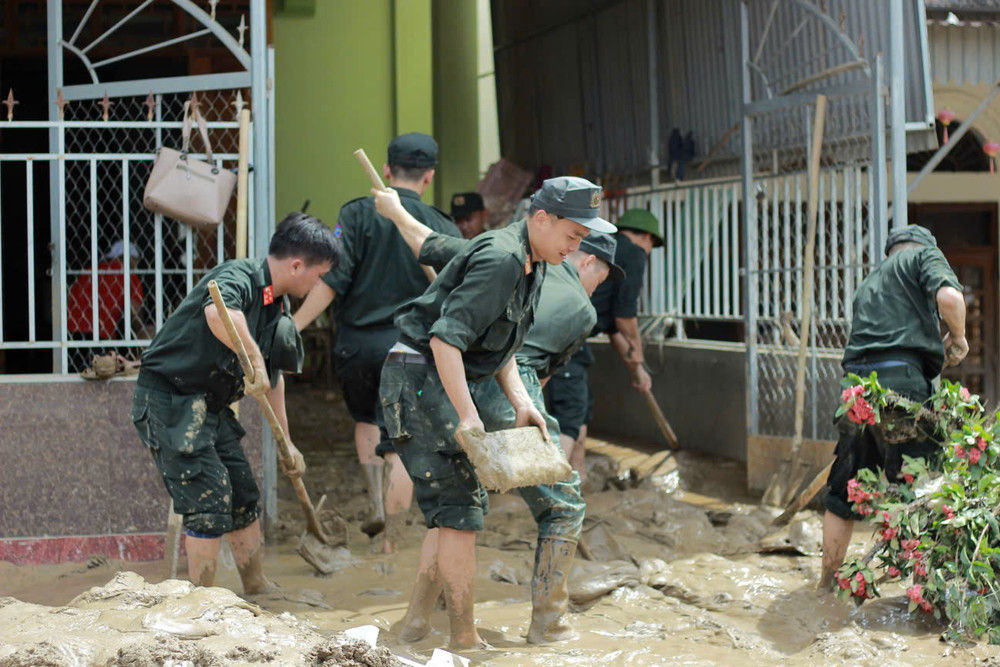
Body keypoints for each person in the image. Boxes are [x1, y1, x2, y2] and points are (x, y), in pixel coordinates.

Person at [373, 185, 624, 643]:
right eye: (572, 235)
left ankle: (417, 627)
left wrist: (522, 402)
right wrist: (469, 415)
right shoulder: (503, 258)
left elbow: (500, 346)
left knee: (454, 511)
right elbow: (445, 340)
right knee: (465, 512)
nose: (574, 248)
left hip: (455, 378)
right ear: (542, 218)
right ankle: (479, 638)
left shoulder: (534, 263)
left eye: (581, 240)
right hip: (425, 378)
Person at [131, 213, 341, 594]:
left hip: (210, 405)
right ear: (297, 266)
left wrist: (287, 443)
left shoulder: (277, 306)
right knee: (209, 499)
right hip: (170, 399)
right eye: (318, 275)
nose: (317, 284)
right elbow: (219, 313)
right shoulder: (238, 276)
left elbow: (272, 379)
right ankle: (201, 600)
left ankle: (256, 586)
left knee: (243, 493)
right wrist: (254, 357)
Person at [293, 133, 462, 544]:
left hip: (357, 346)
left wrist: (293, 326)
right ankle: (390, 541)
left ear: (387, 170)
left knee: (367, 420)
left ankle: (375, 503)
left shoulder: (356, 214)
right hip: (411, 348)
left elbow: (333, 280)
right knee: (402, 438)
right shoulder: (441, 226)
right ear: (429, 177)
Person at [819, 224, 967, 589]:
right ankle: (919, 592)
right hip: (905, 384)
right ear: (922, 248)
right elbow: (950, 297)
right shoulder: (923, 257)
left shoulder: (871, 281)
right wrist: (959, 337)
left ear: (889, 253)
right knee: (923, 486)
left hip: (859, 391)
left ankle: (825, 584)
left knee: (845, 489)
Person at [545, 207, 663, 481]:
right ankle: (551, 489)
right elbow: (624, 318)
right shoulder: (634, 253)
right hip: (565, 340)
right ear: (646, 237)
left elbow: (612, 327)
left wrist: (637, 369)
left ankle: (578, 480)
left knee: (579, 414)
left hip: (572, 343)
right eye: (651, 246)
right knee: (570, 418)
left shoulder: (608, 250)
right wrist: (638, 351)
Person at [67, 240, 147, 372]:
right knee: (102, 372)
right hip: (101, 334)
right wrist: (140, 336)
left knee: (74, 372)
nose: (136, 266)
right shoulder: (128, 275)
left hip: (72, 332)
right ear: (129, 259)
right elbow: (135, 311)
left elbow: (70, 298)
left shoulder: (90, 271)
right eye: (135, 261)